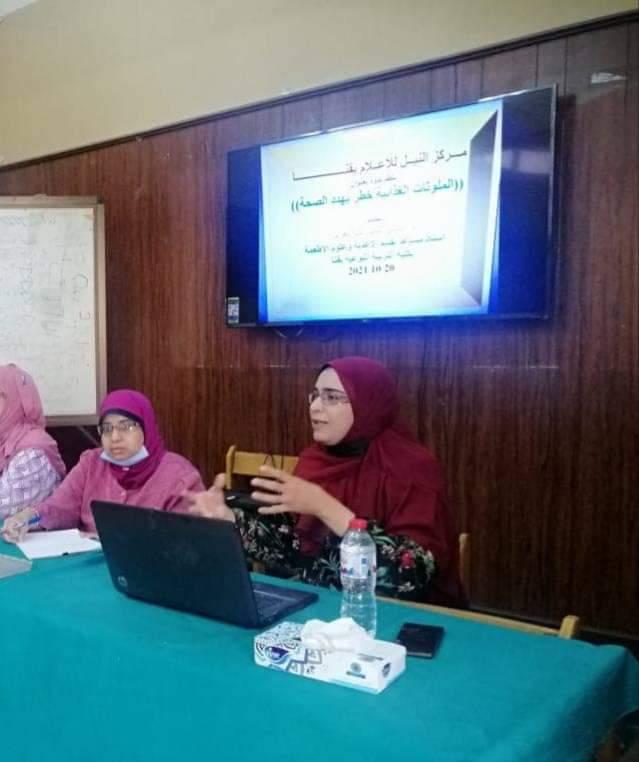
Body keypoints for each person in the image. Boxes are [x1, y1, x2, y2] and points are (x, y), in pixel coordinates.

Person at [187, 356, 465, 607]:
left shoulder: (412, 468)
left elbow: (410, 574)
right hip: (320, 610)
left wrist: (325, 507)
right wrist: (229, 521)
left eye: (332, 397)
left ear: (368, 404)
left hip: (393, 617)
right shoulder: (315, 461)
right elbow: (291, 548)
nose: (315, 407)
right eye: (315, 396)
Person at [2, 389, 204, 542]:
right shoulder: (91, 463)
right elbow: (59, 506)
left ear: (146, 427)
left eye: (126, 427)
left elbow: (188, 542)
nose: (115, 437)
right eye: (107, 429)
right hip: (90, 562)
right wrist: (27, 517)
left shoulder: (179, 476)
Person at [0, 364, 66, 521]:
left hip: (33, 535)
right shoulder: (4, 442)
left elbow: (5, 507)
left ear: (16, 401)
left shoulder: (35, 450)